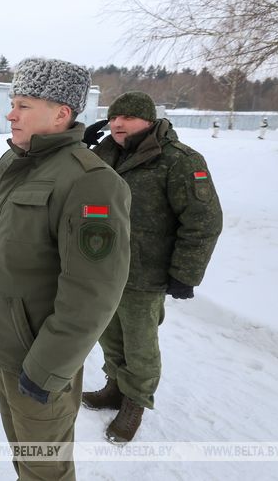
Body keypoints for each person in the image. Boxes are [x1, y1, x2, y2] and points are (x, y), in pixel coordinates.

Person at [0, 57, 131, 480]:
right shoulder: (19, 161)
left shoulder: (89, 180)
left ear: (61, 113)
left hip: (39, 360)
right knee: (24, 455)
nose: (11, 114)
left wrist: (47, 368)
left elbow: (93, 294)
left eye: (24, 105)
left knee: (46, 469)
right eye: (13, 103)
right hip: (10, 348)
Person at [81, 91, 222, 444]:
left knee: (140, 345)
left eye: (127, 118)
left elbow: (203, 221)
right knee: (108, 334)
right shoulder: (104, 154)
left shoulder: (179, 160)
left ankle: (135, 401)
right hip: (102, 267)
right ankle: (115, 386)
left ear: (149, 120)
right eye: (114, 118)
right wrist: (79, 147)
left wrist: (185, 273)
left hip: (145, 275)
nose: (117, 124)